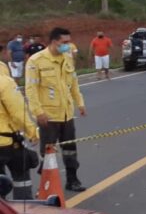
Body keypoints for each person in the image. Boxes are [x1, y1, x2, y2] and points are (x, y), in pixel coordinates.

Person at [25, 27, 87, 192]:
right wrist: (38, 112)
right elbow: (31, 89)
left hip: (67, 114)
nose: (68, 46)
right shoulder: (35, 61)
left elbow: (73, 83)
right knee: (48, 153)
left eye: (69, 42)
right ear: (54, 41)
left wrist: (80, 103)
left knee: (70, 151)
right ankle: (46, 186)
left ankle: (72, 180)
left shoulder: (67, 58)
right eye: (64, 42)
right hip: (48, 116)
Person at [0, 64, 39, 199]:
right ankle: (25, 212)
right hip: (7, 142)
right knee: (21, 180)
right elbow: (18, 112)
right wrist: (32, 133)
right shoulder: (5, 82)